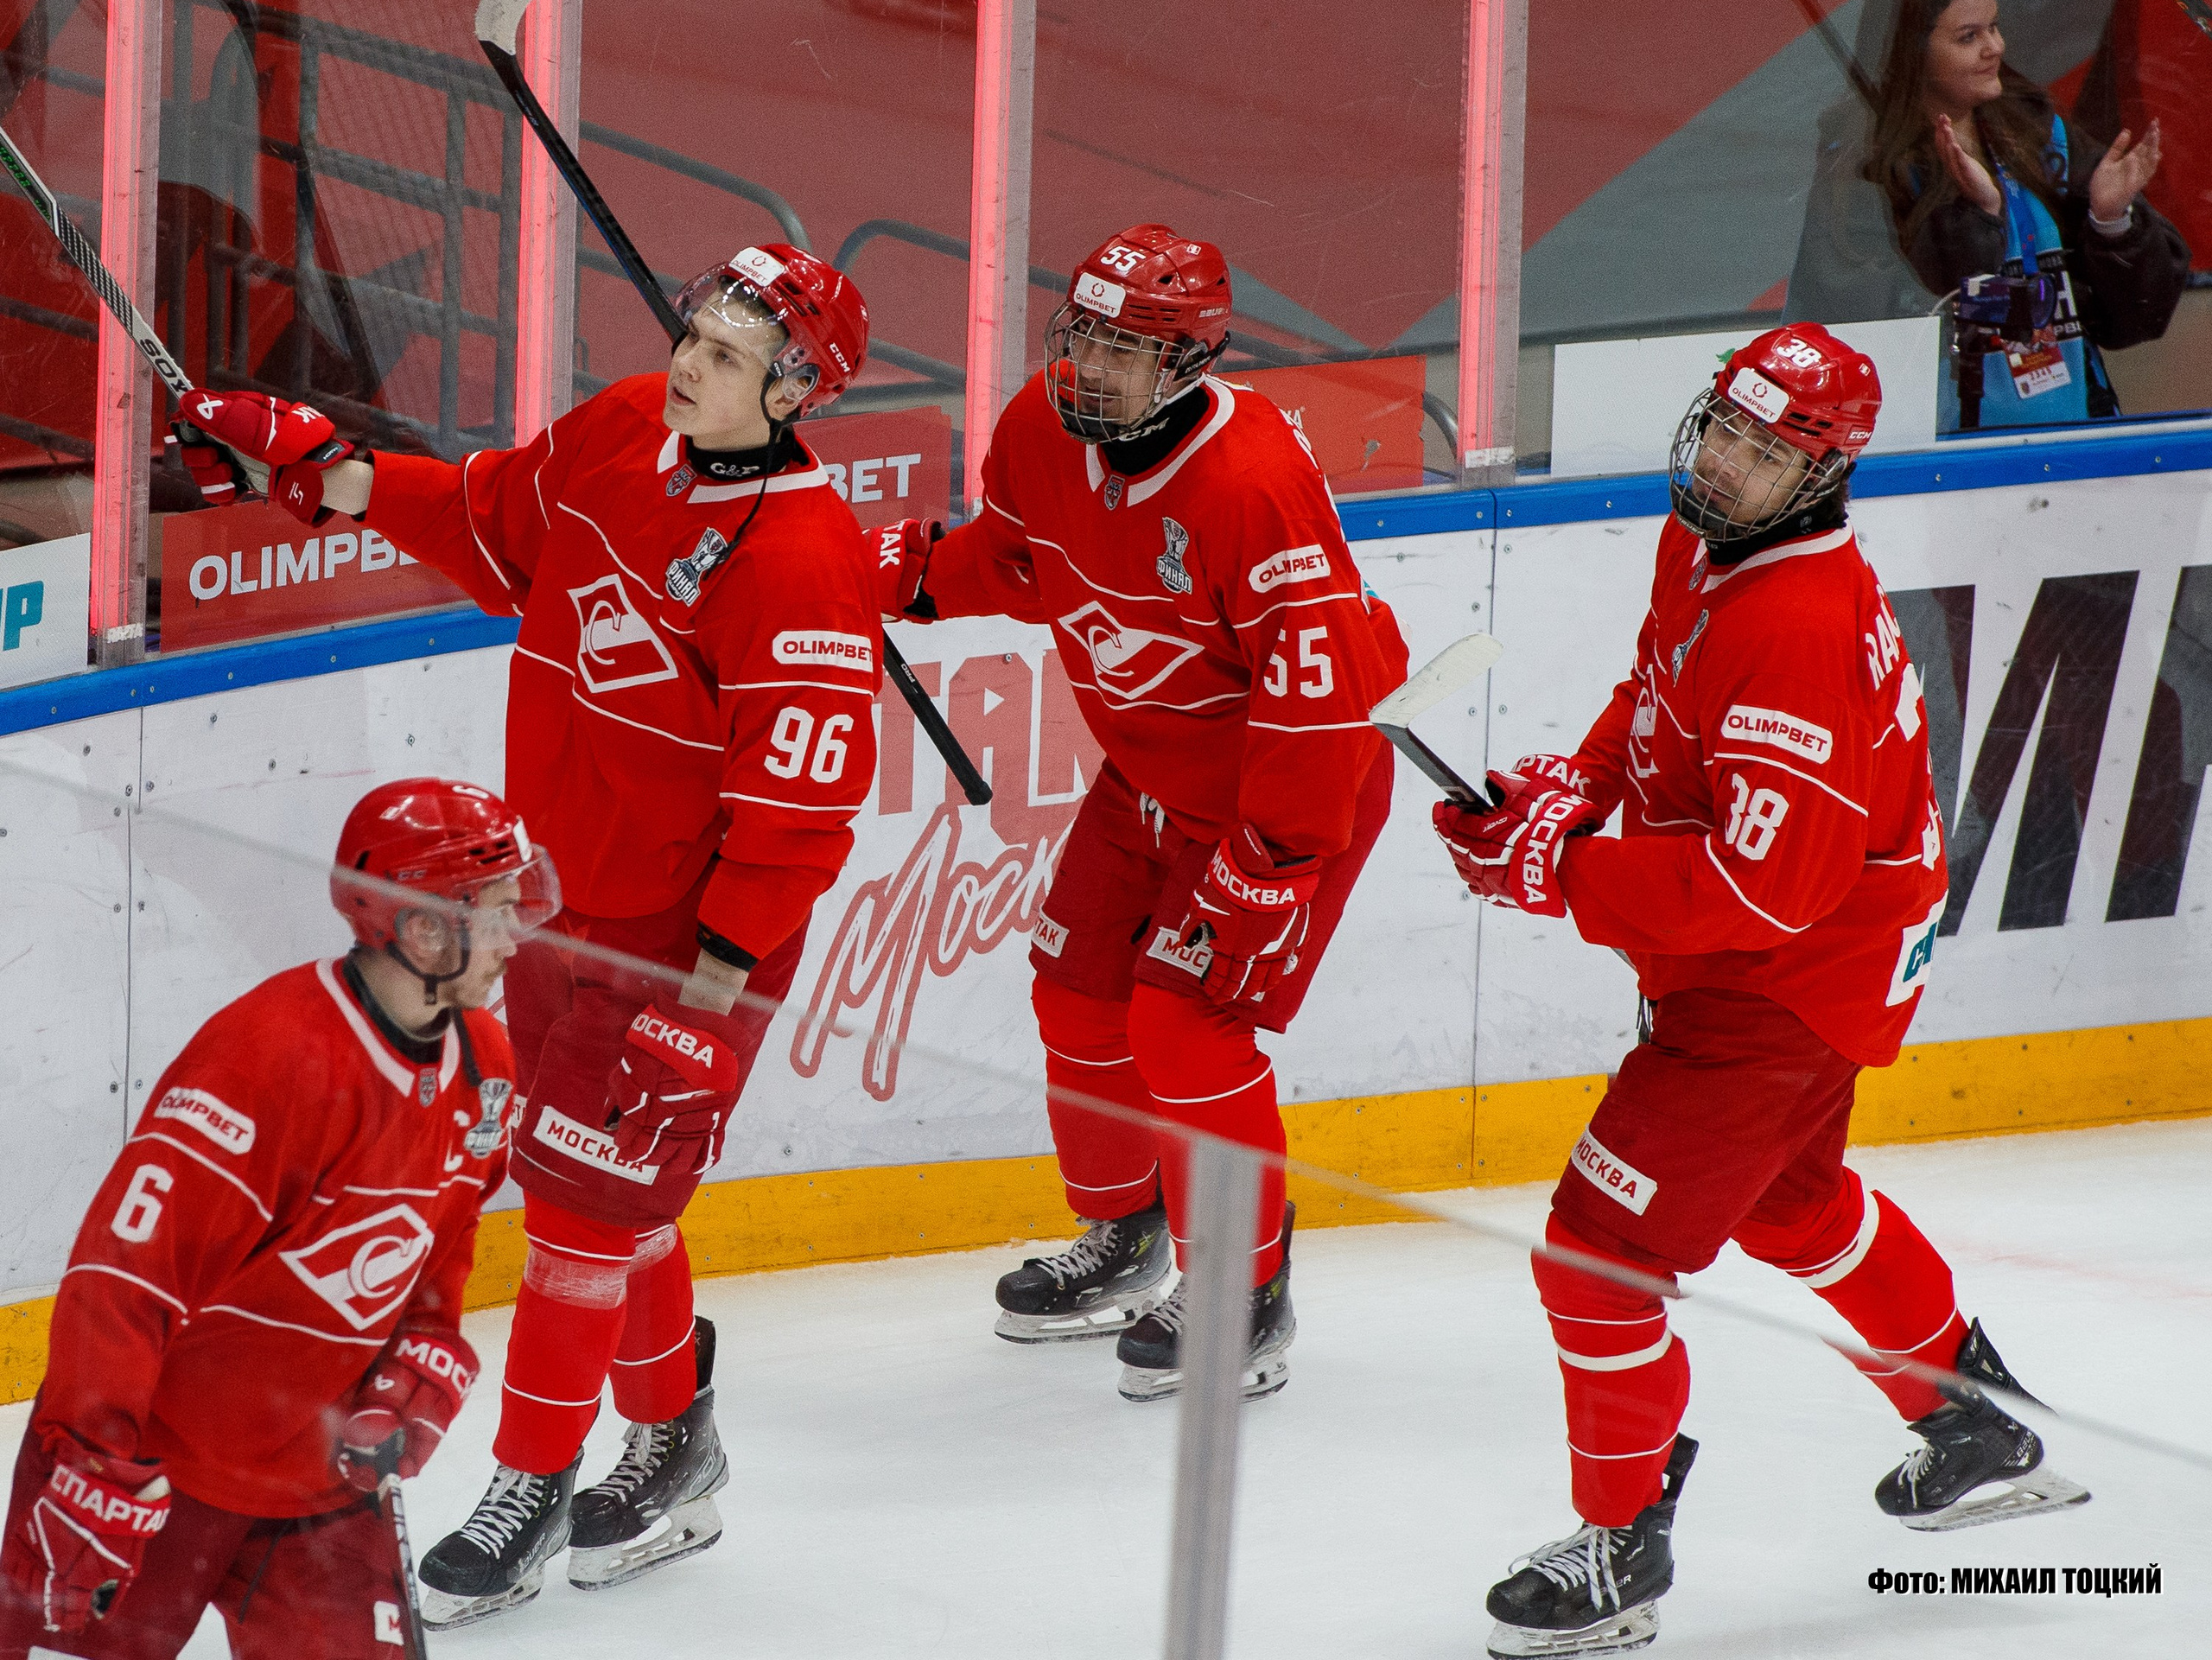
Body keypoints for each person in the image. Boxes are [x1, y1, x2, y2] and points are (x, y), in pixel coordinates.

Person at [168, 245, 882, 1623]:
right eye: (696, 331)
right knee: (611, 1197)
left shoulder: (799, 564)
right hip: (557, 901)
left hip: (684, 946)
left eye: (731, 356)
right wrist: (332, 471)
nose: (690, 362)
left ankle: (529, 1485)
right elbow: (495, 520)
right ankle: (676, 1447)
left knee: (571, 1212)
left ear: (794, 392)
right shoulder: (626, 426)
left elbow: (797, 820)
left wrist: (705, 1000)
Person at [1432, 324, 2088, 1660]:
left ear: (1825, 474)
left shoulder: (1795, 623)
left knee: (1599, 1252)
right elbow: (1659, 696)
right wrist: (1579, 789)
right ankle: (1972, 1419)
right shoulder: (1708, 543)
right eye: (1722, 428)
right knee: (1791, 1203)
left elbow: (1763, 890)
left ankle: (1622, 1552)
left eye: (1765, 451)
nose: (1727, 463)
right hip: (1805, 957)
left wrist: (1562, 875)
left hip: (1785, 982)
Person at [874, 223, 1409, 1401]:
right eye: (1084, 335)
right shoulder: (1038, 426)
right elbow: (1021, 558)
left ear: (1189, 364)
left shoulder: (1254, 483)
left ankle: (1245, 1294)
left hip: (1284, 791)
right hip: (1152, 771)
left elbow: (1319, 703)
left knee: (1189, 1030)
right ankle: (1126, 1234)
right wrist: (914, 578)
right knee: (1072, 990)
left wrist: (1269, 865)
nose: (1090, 367)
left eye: (1126, 348)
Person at [0, 778, 547, 1659]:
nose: (517, 932)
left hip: (316, 1479)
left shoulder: (485, 1061)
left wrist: (420, 1354)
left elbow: (438, 1241)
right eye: (495, 908)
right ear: (421, 927)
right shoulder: (269, 1059)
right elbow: (123, 1277)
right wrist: (90, 1461)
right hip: (149, 1474)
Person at [1796, 0, 2187, 430]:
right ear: (1910, 51)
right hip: (1947, 459)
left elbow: (2136, 321)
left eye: (1994, 27)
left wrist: (2113, 223)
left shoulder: (2039, 131)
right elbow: (1854, 331)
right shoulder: (1864, 165)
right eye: (1968, 37)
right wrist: (1978, 220)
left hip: (2077, 436)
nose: (1995, 48)